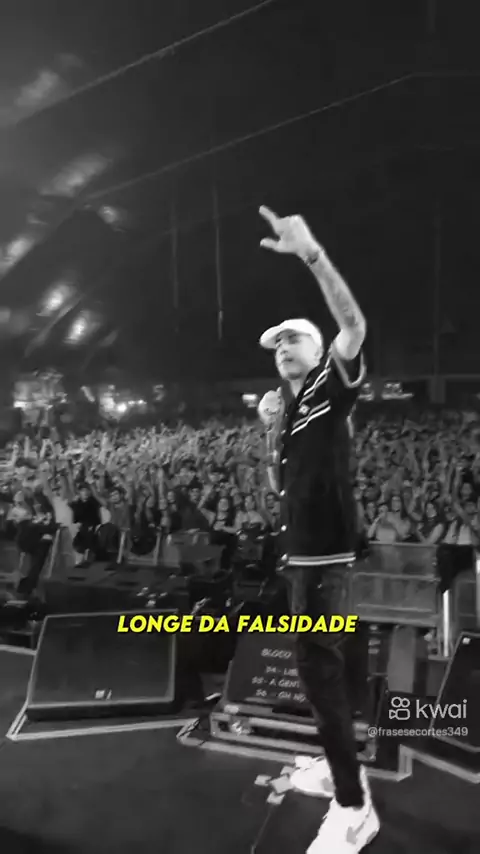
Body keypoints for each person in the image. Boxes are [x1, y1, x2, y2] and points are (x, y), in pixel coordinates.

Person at [257, 205, 379, 854]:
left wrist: (311, 254)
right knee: (322, 677)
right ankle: (340, 769)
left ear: (317, 350)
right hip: (302, 559)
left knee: (321, 678)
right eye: (277, 344)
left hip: (325, 561)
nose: (282, 348)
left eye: (293, 340)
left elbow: (353, 324)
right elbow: (281, 486)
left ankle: (354, 807)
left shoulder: (330, 389)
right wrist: (271, 428)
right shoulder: (292, 409)